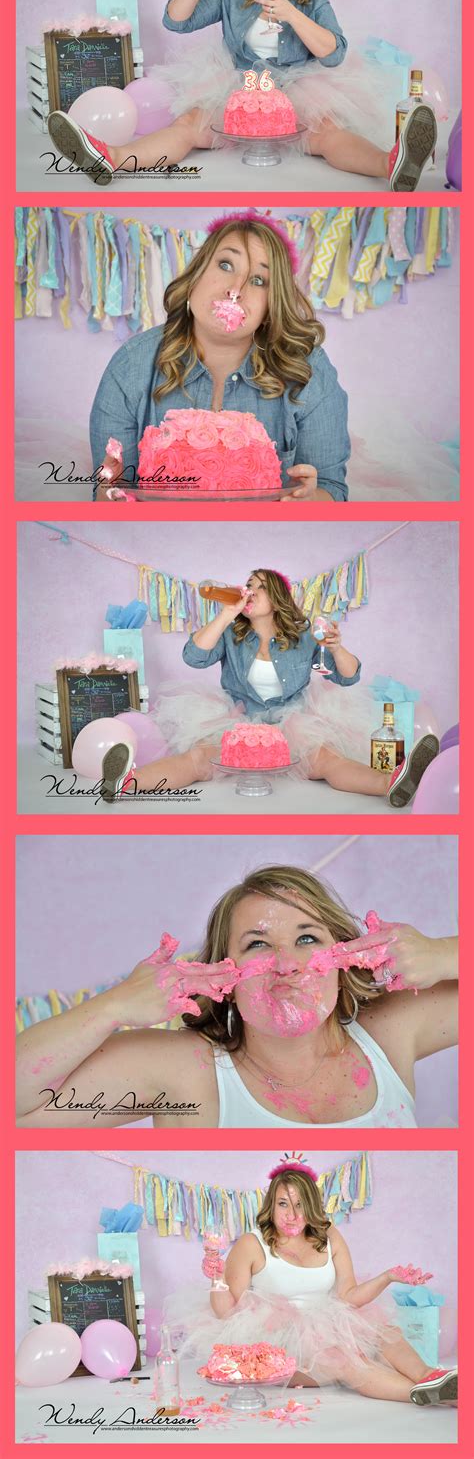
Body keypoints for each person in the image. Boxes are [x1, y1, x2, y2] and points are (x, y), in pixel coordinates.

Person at [16, 865, 458, 1130]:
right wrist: (113, 1006)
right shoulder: (185, 1072)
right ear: (224, 975)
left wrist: (442, 953)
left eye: (307, 938)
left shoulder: (390, 1032)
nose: (287, 963)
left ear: (344, 957)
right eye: (258, 944)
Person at [46, 0, 437, 192]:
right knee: (189, 126)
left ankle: (392, 164)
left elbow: (332, 53)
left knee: (327, 133)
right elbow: (176, 21)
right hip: (238, 86)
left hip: (297, 88)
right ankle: (111, 157)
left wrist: (288, 12)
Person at [98, 569, 440, 806]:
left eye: (258, 587)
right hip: (238, 720)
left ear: (276, 598)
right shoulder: (232, 634)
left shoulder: (304, 636)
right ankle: (126, 782)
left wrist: (335, 646)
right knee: (199, 759)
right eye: (246, 584)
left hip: (292, 723)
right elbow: (194, 657)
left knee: (324, 760)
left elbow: (347, 677)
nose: (248, 591)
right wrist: (227, 613)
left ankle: (392, 783)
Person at [90, 213, 350, 501]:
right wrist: (109, 491)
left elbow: (331, 488)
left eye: (259, 280)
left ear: (272, 305)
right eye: (226, 265)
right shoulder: (131, 365)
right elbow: (110, 494)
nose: (235, 290)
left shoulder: (308, 370)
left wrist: (308, 501)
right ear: (196, 275)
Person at [161, 1162, 457, 1406]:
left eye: (300, 1204)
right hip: (277, 1342)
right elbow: (225, 1312)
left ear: (312, 1206)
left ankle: (435, 1379)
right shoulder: (253, 1244)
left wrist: (387, 1277)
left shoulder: (329, 1238)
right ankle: (425, 1396)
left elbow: (349, 1296)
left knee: (385, 1332)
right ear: (271, 1205)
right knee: (345, 1360)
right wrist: (216, 1277)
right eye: (283, 1204)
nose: (291, 1214)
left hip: (327, 1324)